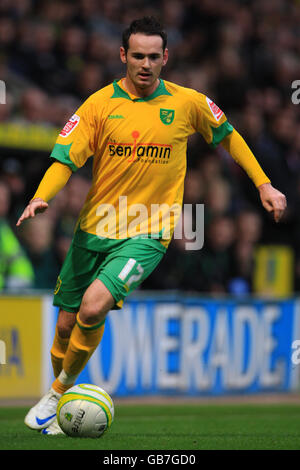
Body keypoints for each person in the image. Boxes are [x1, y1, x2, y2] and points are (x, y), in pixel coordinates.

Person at [16, 17, 286, 435]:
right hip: (94, 227)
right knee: (67, 323)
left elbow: (230, 136)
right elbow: (65, 159)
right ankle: (64, 397)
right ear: (123, 55)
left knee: (92, 305)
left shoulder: (188, 103)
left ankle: (56, 391)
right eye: (137, 56)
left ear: (166, 58)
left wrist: (264, 184)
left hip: (148, 231)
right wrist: (41, 195)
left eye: (153, 56)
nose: (145, 64)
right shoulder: (98, 105)